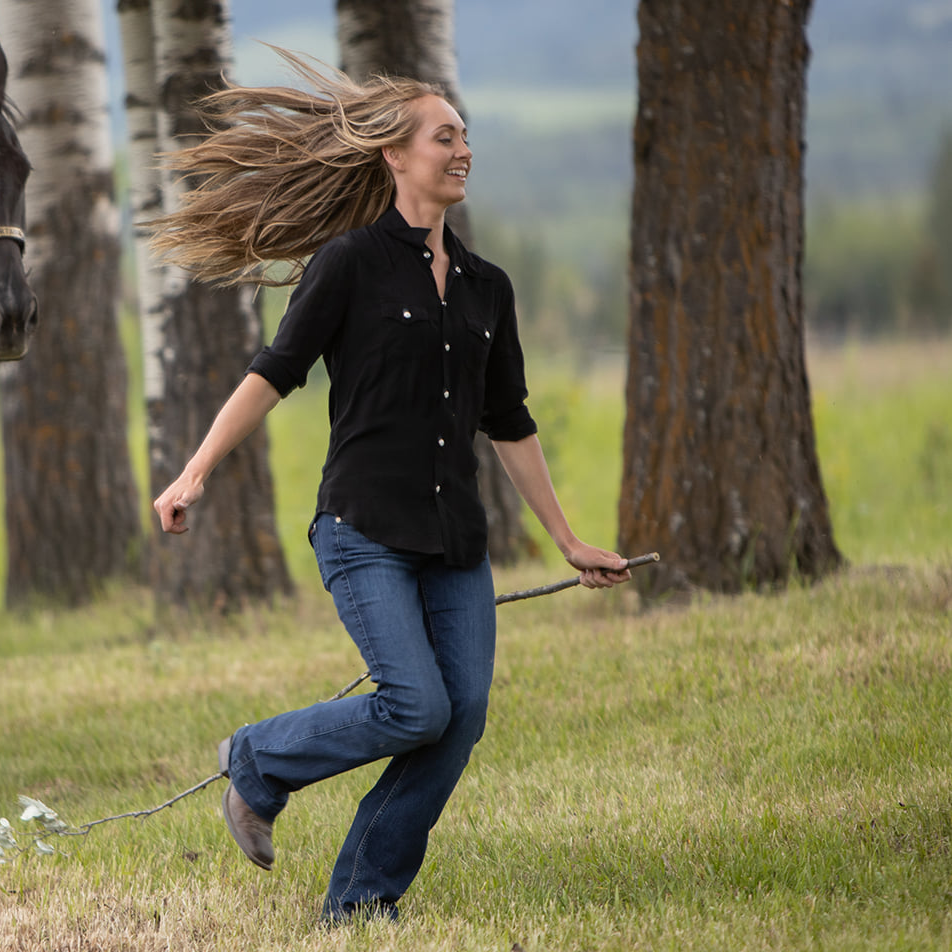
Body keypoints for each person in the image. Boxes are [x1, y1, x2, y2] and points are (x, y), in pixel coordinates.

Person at [149, 53, 633, 924]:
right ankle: (256, 761)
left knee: (459, 716)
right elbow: (271, 373)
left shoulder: (489, 288)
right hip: (362, 528)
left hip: (454, 541)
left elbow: (510, 423)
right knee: (414, 703)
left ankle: (361, 901)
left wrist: (568, 540)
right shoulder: (349, 264)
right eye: (444, 137)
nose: (462, 151)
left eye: (466, 138)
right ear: (395, 158)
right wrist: (193, 472)